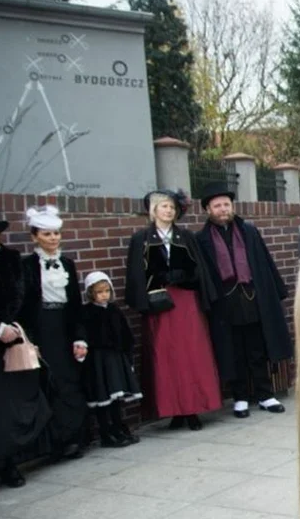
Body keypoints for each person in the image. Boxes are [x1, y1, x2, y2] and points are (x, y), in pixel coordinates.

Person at [125, 190, 222, 430]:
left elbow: (199, 269)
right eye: (164, 206)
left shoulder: (186, 237)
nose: (169, 211)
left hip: (186, 301)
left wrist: (184, 275)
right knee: (166, 356)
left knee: (191, 353)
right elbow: (136, 274)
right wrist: (151, 288)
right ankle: (173, 409)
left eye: (172, 207)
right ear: (154, 210)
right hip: (159, 302)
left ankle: (192, 409)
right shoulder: (142, 239)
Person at [195, 183, 291, 419]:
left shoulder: (249, 231)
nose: (223, 209)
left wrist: (277, 290)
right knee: (233, 351)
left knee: (257, 349)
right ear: (208, 209)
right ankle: (240, 398)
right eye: (217, 206)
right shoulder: (202, 239)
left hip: (253, 298)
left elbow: (265, 262)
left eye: (226, 204)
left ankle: (265, 394)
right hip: (225, 304)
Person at [0, 207, 51, 498]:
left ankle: (9, 462)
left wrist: (21, 331)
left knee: (11, 407)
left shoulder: (9, 260)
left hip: (14, 343)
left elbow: (28, 297)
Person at [19, 205, 89, 461]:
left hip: (63, 325)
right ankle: (52, 444)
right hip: (41, 326)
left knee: (70, 380)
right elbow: (23, 307)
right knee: (48, 382)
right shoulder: (26, 266)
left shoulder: (67, 264)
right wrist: (30, 340)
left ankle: (74, 438)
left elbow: (75, 304)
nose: (53, 239)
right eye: (47, 234)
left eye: (56, 234)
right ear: (35, 236)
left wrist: (79, 336)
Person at [80, 271, 141, 447]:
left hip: (115, 357)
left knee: (116, 396)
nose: (103, 295)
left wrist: (128, 357)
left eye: (106, 291)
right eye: (99, 292)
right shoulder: (87, 312)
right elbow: (82, 332)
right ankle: (106, 432)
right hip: (99, 360)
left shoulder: (114, 310)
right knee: (103, 396)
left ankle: (119, 427)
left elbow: (125, 334)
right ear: (91, 293)